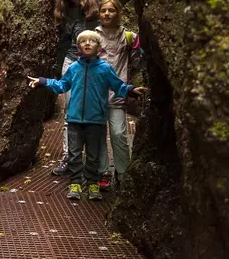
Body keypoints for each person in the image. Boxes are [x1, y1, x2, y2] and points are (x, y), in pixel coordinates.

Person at [28, 30, 147, 200]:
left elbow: (117, 86)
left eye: (92, 41)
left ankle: (92, 183)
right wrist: (43, 81)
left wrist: (130, 91)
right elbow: (62, 85)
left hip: (96, 119)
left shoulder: (105, 69)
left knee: (93, 154)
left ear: (99, 47)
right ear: (78, 47)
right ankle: (75, 182)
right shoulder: (74, 68)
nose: (88, 43)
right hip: (75, 119)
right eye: (83, 41)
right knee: (75, 154)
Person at [52, 0, 133, 176]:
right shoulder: (65, 12)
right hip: (73, 63)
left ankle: (103, 167)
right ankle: (69, 157)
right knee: (71, 110)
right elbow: (64, 43)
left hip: (99, 63)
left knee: (99, 116)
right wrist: (59, 70)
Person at [95, 0, 143, 190]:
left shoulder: (129, 37)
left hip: (118, 92)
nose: (107, 14)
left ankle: (123, 172)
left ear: (118, 13)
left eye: (111, 11)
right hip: (96, 93)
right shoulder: (93, 36)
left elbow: (137, 61)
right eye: (103, 11)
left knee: (118, 133)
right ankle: (103, 172)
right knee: (98, 135)